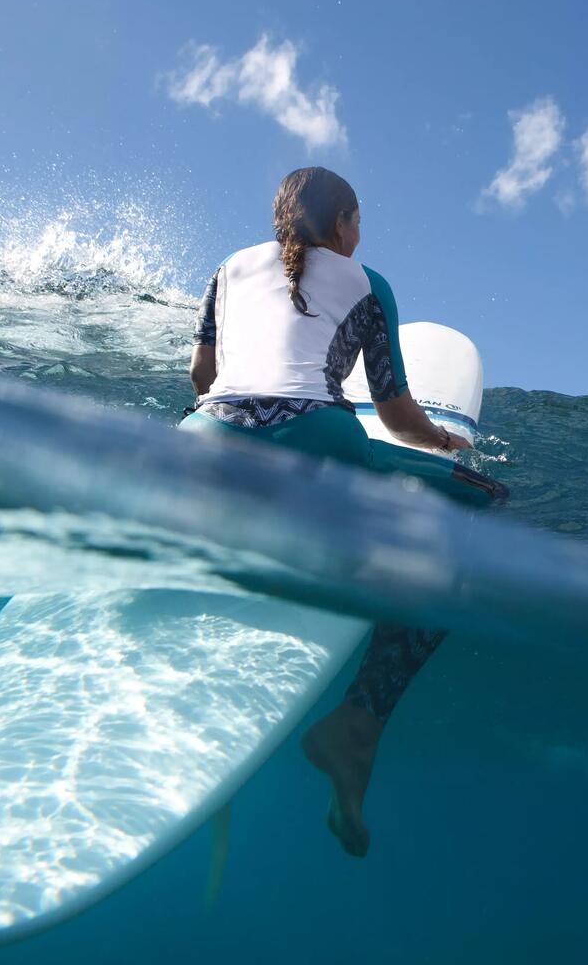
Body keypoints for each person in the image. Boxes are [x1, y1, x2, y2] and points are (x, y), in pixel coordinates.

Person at [180, 167, 471, 857]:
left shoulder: (226, 268)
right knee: (445, 559)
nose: (360, 235)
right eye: (359, 223)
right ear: (343, 225)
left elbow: (201, 378)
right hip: (316, 444)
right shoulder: (368, 283)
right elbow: (396, 412)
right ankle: (357, 725)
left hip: (204, 447)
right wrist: (442, 442)